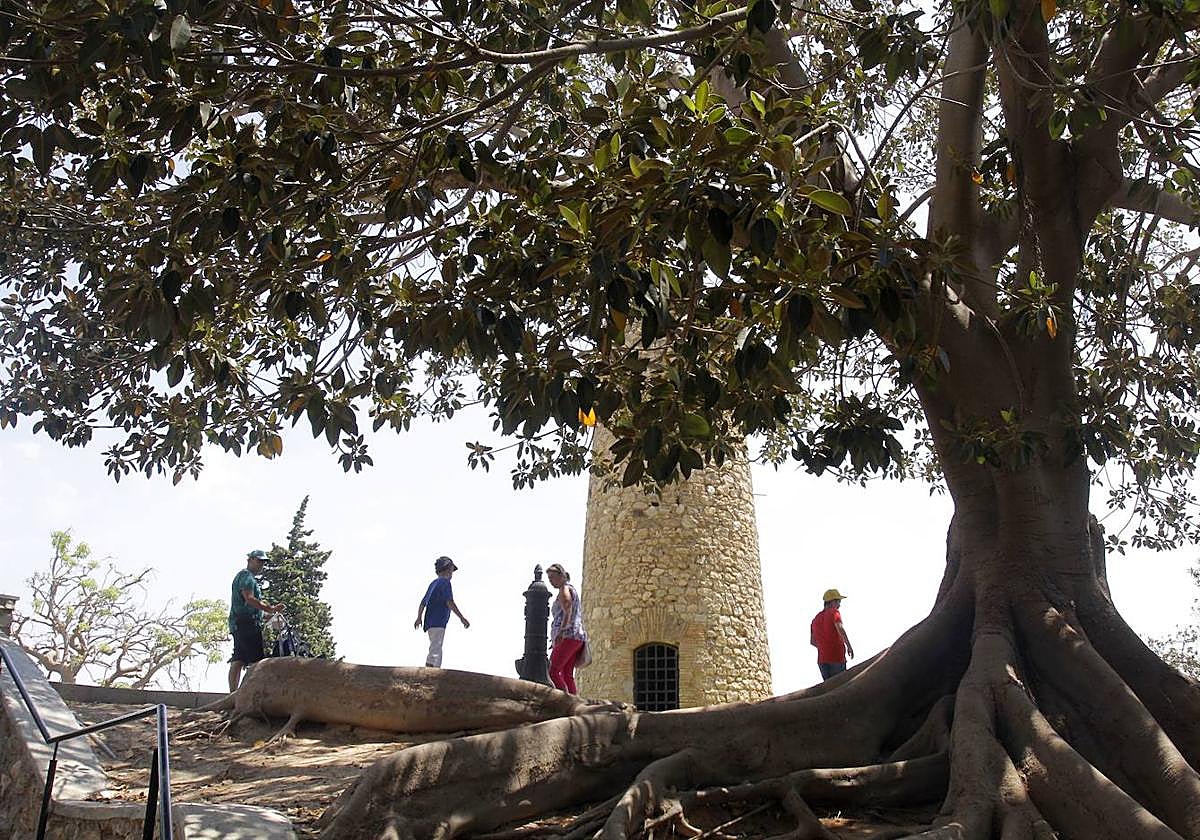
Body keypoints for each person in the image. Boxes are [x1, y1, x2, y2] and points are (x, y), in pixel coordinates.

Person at [228, 549, 280, 692]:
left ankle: (233, 693)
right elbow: (249, 598)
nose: (261, 565)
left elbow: (249, 605)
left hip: (240, 622)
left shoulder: (245, 577)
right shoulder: (246, 577)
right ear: (250, 560)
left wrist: (266, 615)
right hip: (246, 624)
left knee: (238, 658)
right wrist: (270, 608)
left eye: (263, 562)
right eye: (259, 561)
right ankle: (249, 692)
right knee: (256, 661)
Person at [414, 555, 470, 667]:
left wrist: (419, 617)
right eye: (451, 570)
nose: (452, 574)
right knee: (436, 647)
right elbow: (449, 601)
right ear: (448, 569)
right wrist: (462, 618)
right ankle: (432, 670)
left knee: (435, 645)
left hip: (430, 622)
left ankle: (432, 668)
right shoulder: (445, 583)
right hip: (438, 621)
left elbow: (423, 602)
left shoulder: (433, 583)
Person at [546, 563, 587, 694]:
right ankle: (575, 701)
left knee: (552, 671)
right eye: (549, 578)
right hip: (577, 637)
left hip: (567, 636)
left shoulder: (564, 589)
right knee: (566, 674)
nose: (551, 581)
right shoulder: (571, 588)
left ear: (561, 576)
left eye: (552, 577)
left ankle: (564, 701)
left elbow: (567, 607)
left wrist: (561, 632)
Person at [810, 588, 854, 681]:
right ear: (832, 602)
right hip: (836, 657)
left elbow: (812, 642)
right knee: (841, 687)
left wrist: (824, 647)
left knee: (830, 689)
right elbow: (840, 629)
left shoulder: (815, 619)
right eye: (838, 601)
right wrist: (849, 646)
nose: (839, 605)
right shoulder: (834, 612)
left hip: (822, 660)